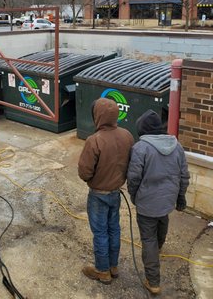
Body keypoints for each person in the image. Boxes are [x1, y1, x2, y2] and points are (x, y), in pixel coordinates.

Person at [127, 109, 190, 295]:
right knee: (162, 220)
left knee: (148, 240)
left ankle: (153, 281)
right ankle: (159, 246)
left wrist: (134, 196)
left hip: (147, 202)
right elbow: (184, 175)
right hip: (167, 200)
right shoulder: (177, 146)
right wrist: (180, 198)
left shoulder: (140, 148)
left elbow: (133, 178)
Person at [78, 98, 135, 285]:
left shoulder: (94, 140)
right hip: (116, 192)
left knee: (101, 233)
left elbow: (84, 172)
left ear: (98, 115)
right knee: (114, 229)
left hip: (98, 195)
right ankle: (113, 266)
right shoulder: (127, 135)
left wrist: (94, 179)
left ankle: (102, 271)